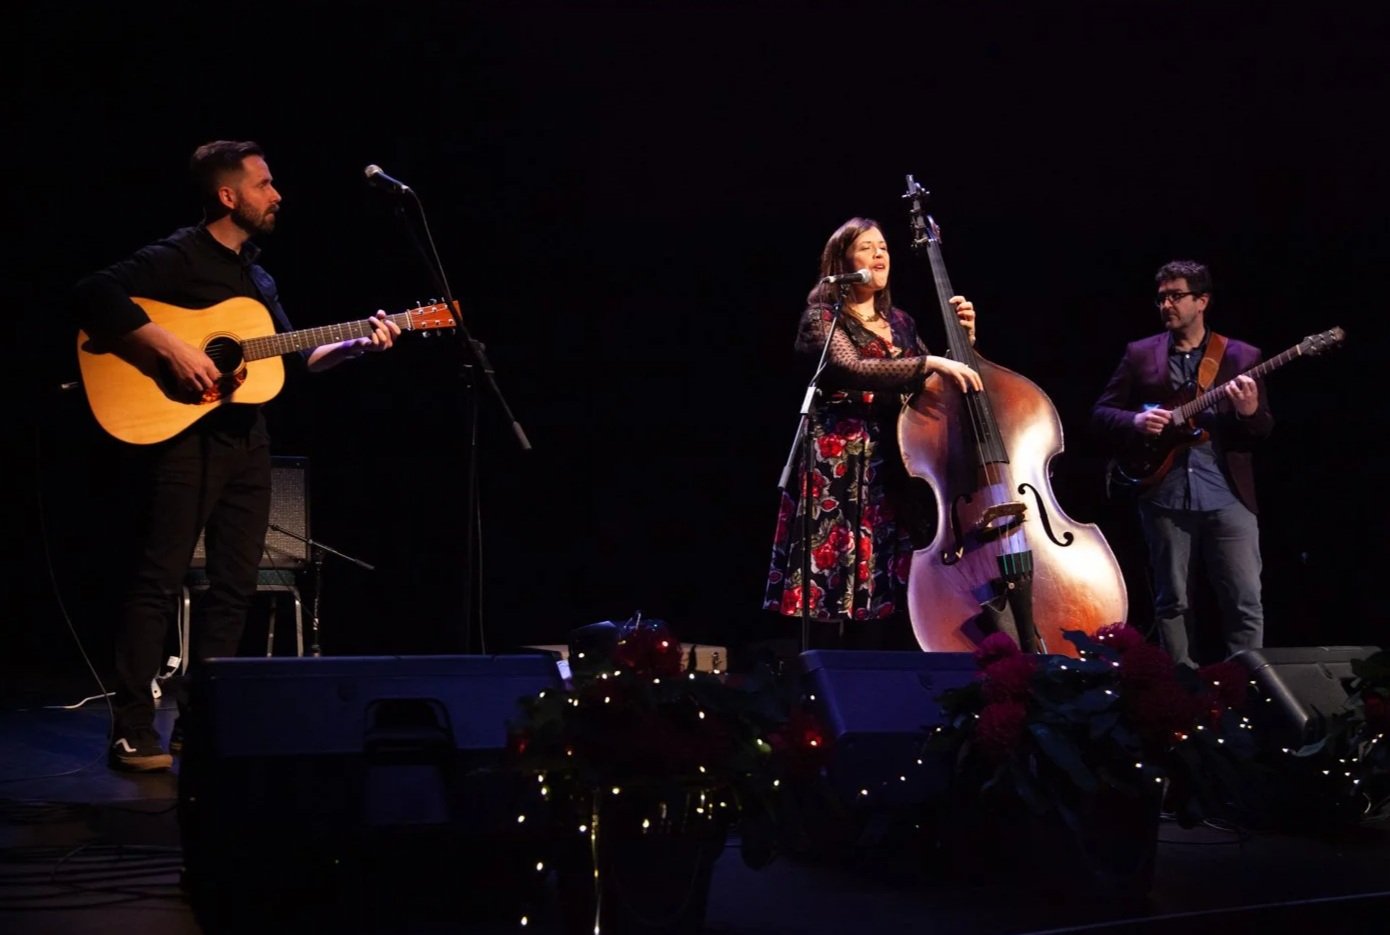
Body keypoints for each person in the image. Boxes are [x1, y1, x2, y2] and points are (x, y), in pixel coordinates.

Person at [70, 140, 401, 771]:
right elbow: (94, 293)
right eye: (265, 184)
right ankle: (133, 727)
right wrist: (172, 348)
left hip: (248, 440)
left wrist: (360, 342)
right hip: (184, 440)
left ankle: (201, 723)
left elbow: (297, 354)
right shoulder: (178, 255)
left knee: (235, 588)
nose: (277, 195)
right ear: (229, 196)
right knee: (158, 579)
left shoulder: (258, 276)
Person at [762, 217, 982, 648]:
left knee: (884, 571)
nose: (880, 254)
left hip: (893, 458)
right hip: (837, 458)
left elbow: (930, 385)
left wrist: (964, 342)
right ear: (843, 260)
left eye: (883, 247)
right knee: (831, 572)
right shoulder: (823, 317)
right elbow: (851, 368)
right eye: (866, 247)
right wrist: (932, 361)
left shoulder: (900, 322)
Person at [1090, 259, 1272, 668]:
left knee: (1244, 599)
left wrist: (1249, 411)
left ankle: (1251, 688)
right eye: (1161, 298)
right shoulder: (1140, 354)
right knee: (1172, 600)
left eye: (1176, 296)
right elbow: (1102, 413)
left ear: (1202, 300)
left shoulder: (1242, 356)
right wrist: (1135, 420)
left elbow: (1261, 430)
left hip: (1227, 494)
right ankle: (1179, 691)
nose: (1166, 305)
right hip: (1163, 491)